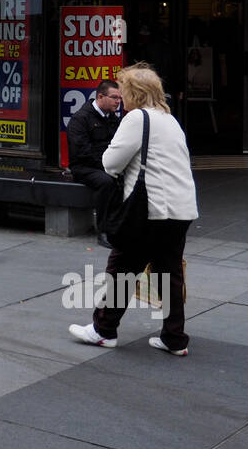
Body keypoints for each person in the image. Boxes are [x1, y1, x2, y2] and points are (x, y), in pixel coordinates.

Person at [69, 64, 197, 356]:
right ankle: (174, 338)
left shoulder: (136, 118)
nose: (121, 98)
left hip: (150, 209)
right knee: (170, 272)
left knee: (123, 266)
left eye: (123, 91)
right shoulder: (170, 119)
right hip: (182, 207)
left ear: (133, 93)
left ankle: (103, 330)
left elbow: (110, 163)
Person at [66, 79, 122, 248]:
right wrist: (108, 166)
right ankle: (103, 231)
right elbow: (82, 152)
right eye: (114, 97)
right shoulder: (81, 119)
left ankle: (121, 225)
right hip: (84, 167)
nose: (118, 101)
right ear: (100, 96)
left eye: (119, 98)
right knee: (106, 181)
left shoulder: (113, 118)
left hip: (107, 165)